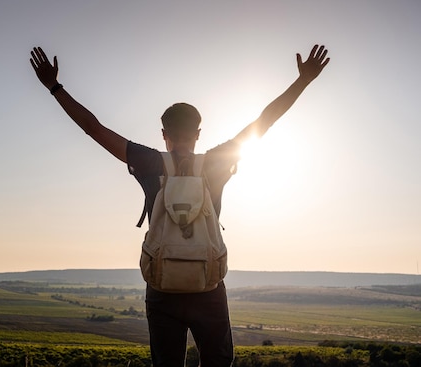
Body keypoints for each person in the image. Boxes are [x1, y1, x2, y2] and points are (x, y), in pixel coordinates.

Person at [30, 45, 330, 367]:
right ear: (198, 134)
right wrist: (303, 81)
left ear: (164, 134)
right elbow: (264, 121)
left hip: (162, 289)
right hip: (208, 286)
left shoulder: (148, 162)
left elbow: (94, 128)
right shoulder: (216, 162)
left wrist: (55, 87)